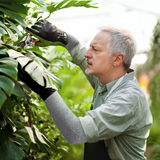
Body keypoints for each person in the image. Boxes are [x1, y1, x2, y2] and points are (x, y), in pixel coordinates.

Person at [18, 19, 152, 160]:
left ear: (117, 59)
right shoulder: (108, 79)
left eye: (95, 49)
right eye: (90, 47)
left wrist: (44, 88)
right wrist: (61, 36)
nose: (87, 53)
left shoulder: (128, 99)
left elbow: (76, 132)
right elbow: (78, 49)